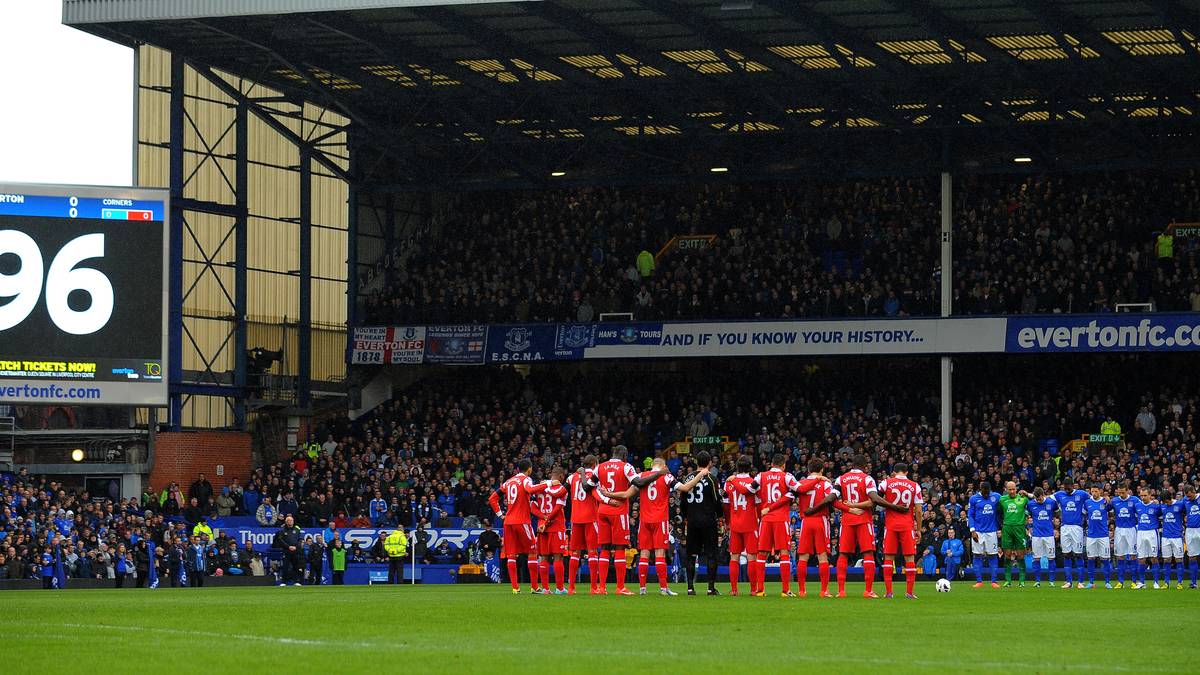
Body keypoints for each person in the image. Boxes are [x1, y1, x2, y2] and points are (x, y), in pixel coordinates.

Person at [601, 457, 704, 596]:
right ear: (663, 465)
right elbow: (686, 488)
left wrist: (608, 494)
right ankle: (663, 588)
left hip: (644, 521)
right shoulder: (666, 477)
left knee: (644, 554)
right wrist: (700, 474)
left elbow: (626, 494)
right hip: (659, 520)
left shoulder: (641, 476)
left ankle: (642, 589)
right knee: (659, 554)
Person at [592, 446, 657, 595]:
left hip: (602, 510)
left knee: (605, 549)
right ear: (625, 456)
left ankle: (601, 587)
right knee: (620, 548)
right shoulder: (626, 466)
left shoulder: (600, 467)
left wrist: (605, 499)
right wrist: (656, 475)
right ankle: (620, 587)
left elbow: (589, 486)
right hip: (618, 511)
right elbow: (639, 483)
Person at [487, 458, 555, 594]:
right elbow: (530, 489)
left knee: (511, 555)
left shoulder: (508, 482)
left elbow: (492, 498)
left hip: (508, 522)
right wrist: (548, 483)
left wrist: (501, 515)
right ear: (529, 469)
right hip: (522, 521)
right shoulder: (526, 480)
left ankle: (515, 588)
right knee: (532, 552)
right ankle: (535, 587)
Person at [832, 454, 892, 597]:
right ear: (865, 466)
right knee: (868, 553)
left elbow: (832, 500)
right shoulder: (867, 479)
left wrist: (849, 508)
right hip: (864, 519)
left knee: (843, 554)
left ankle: (841, 591)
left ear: (852, 465)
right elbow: (873, 501)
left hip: (847, 520)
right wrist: (857, 506)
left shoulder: (841, 478)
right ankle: (868, 590)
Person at [751, 453, 803, 597]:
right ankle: (785, 590)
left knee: (762, 554)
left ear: (771, 464)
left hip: (766, 519)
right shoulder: (787, 476)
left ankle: (760, 590)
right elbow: (799, 489)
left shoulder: (761, 476)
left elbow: (751, 489)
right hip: (781, 519)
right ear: (783, 465)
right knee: (784, 552)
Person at [678, 451, 724, 597]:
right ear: (710, 462)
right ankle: (711, 588)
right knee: (711, 554)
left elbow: (682, 501)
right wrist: (721, 517)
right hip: (708, 521)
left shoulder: (687, 478)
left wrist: (686, 517)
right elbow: (717, 501)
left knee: (691, 555)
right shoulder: (711, 478)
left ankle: (690, 587)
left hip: (692, 522)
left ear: (696, 462)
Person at [794, 457, 838, 597]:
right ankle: (824, 590)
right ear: (821, 470)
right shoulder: (825, 484)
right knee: (822, 556)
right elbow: (832, 500)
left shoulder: (801, 483)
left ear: (808, 469)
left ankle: (801, 591)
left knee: (803, 557)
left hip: (806, 521)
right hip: (821, 520)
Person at [878, 463, 923, 599]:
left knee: (888, 558)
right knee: (909, 557)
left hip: (890, 525)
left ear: (894, 472)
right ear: (907, 472)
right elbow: (919, 511)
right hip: (907, 525)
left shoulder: (886, 483)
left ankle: (889, 592)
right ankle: (909, 592)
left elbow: (875, 499)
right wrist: (919, 529)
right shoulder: (915, 486)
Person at [722, 455, 761, 596]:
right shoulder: (753, 482)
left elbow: (725, 505)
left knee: (734, 557)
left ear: (737, 467)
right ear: (749, 467)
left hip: (735, 523)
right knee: (752, 557)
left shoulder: (729, 483)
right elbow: (758, 504)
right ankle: (753, 589)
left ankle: (734, 589)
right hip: (750, 523)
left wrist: (728, 522)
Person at [564, 455, 602, 595]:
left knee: (575, 553)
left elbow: (562, 492)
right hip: (591, 517)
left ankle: (571, 588)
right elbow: (597, 493)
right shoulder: (595, 475)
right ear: (593, 464)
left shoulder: (571, 477)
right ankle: (593, 587)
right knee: (592, 552)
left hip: (576, 518)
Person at [532, 467, 569, 594]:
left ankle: (546, 589)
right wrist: (548, 520)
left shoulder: (540, 487)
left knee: (544, 558)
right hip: (556, 526)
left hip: (541, 527)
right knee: (558, 558)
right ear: (560, 476)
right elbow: (558, 507)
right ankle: (559, 588)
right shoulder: (561, 489)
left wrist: (543, 519)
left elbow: (532, 507)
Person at [1052, 479, 1090, 588]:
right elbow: (1045, 498)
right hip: (1064, 528)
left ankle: (1080, 582)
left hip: (1077, 527)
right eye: (1065, 487)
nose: (1066, 489)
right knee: (1066, 554)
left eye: (1068, 487)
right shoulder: (1060, 494)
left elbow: (1093, 499)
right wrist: (1029, 494)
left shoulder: (1081, 494)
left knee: (1078, 554)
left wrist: (1105, 499)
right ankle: (1069, 581)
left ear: (1073, 486)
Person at [968, 481, 1002, 588]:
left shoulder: (996, 496)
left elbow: (1006, 502)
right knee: (977, 555)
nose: (986, 494)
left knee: (992, 555)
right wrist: (972, 530)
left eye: (988, 492)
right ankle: (979, 581)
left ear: (990, 490)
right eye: (984, 492)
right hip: (978, 531)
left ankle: (994, 581)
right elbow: (970, 515)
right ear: (980, 489)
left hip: (991, 532)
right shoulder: (973, 498)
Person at [998, 481, 1030, 587]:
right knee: (1007, 555)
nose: (1012, 491)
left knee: (1021, 555)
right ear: (1006, 489)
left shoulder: (1023, 498)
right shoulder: (1002, 499)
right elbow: (996, 512)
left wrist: (1027, 493)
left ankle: (1022, 581)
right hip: (1007, 528)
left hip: (1019, 529)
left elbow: (1038, 500)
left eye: (1013, 489)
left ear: (1016, 488)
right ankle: (1008, 580)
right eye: (1010, 489)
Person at [1083, 483, 1113, 589]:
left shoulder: (1105, 502)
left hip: (1103, 535)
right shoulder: (1087, 503)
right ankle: (1091, 582)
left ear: (1100, 491)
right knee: (1091, 558)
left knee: (1105, 559)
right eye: (1092, 491)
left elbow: (1112, 512)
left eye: (1096, 491)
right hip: (1091, 535)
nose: (1094, 493)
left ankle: (1107, 582)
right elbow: (1084, 515)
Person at [1025, 488, 1057, 586]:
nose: (1039, 501)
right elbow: (1027, 517)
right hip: (1036, 536)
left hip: (1049, 535)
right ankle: (1037, 581)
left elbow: (1057, 513)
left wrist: (1055, 528)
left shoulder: (1051, 502)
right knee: (1036, 558)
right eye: (1037, 499)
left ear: (1043, 495)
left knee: (1051, 558)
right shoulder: (1031, 504)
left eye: (1040, 499)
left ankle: (1051, 581)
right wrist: (1029, 527)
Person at [1110, 482, 1139, 588]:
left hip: (1131, 529)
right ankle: (1120, 582)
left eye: (1123, 492)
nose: (1121, 494)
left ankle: (1134, 581)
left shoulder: (1135, 500)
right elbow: (1106, 508)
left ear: (1127, 490)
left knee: (1132, 555)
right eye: (1119, 492)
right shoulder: (1114, 501)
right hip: (1119, 530)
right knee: (1120, 556)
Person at [1133, 488, 1161, 589]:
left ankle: (1156, 582)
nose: (1143, 498)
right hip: (1140, 532)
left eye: (1145, 495)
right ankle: (1141, 582)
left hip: (1152, 532)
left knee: (1154, 558)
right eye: (1141, 496)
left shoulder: (1156, 506)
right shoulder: (1137, 506)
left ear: (1150, 495)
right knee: (1141, 558)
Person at [1159, 489, 1186, 589]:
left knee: (1179, 559)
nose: (1164, 503)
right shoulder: (1162, 506)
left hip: (1177, 537)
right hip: (1165, 537)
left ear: (1168, 498)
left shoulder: (1179, 505)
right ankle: (1166, 583)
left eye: (1165, 501)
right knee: (1166, 560)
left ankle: (1179, 583)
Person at [273, 514, 304, 586]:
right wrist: (288, 547)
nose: (290, 522)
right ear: (286, 522)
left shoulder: (297, 530)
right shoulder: (282, 531)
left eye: (291, 520)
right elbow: (280, 541)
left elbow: (300, 539)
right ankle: (283, 582)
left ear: (293, 522)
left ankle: (296, 581)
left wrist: (296, 547)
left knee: (296, 566)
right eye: (289, 520)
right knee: (285, 567)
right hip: (286, 551)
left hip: (295, 551)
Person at [1184, 485, 1200, 589]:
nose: (1189, 498)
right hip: (1190, 530)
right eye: (1187, 496)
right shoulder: (1185, 500)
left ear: (1194, 492)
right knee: (1192, 557)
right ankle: (1194, 583)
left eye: (1190, 496)